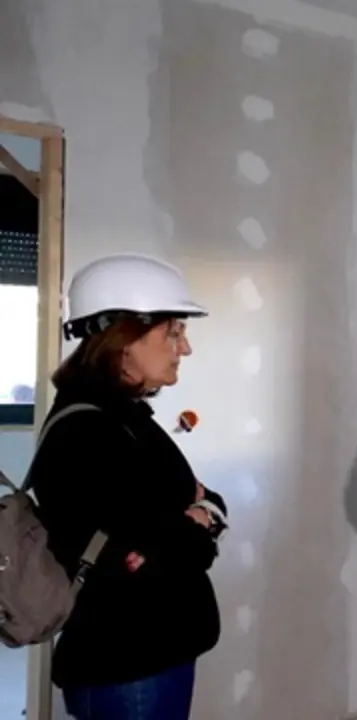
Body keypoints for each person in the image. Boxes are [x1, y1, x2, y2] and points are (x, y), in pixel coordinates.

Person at [28, 253, 229, 719]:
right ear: (123, 338)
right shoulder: (87, 430)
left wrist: (197, 518)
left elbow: (192, 514)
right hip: (128, 666)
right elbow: (141, 557)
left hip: (150, 657)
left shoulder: (124, 417)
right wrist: (196, 527)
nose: (185, 347)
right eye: (173, 332)